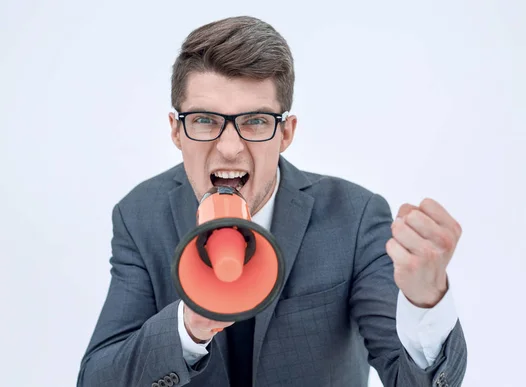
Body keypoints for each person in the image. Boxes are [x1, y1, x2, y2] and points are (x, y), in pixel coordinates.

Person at [77, 15, 467, 387]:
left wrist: (425, 301)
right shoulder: (140, 216)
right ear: (176, 131)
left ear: (286, 133)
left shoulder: (355, 218)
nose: (229, 148)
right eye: (204, 120)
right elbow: (97, 379)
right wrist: (188, 326)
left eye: (256, 121)